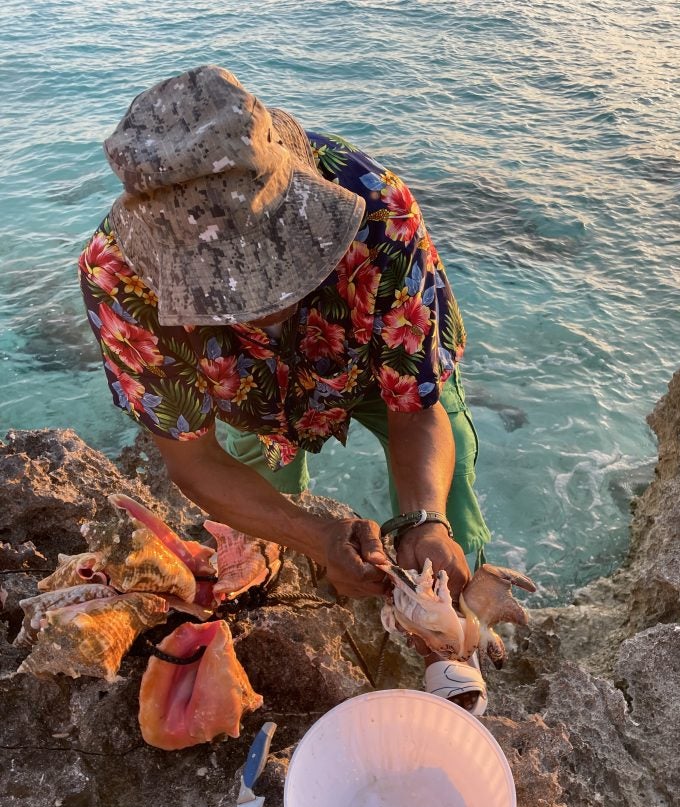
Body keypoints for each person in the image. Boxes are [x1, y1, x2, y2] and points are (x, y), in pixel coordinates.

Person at [78, 65, 492, 714]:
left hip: (372, 367)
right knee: (265, 508)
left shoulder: (379, 214)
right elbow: (194, 459)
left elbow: (416, 406)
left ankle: (454, 647)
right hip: (249, 401)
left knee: (449, 500)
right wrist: (312, 534)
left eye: (287, 271)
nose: (265, 316)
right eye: (226, 299)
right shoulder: (120, 283)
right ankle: (290, 578)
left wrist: (423, 516)